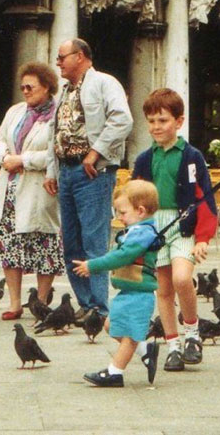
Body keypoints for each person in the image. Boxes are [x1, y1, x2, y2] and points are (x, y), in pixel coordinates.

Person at [131, 88, 218, 373]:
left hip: (182, 225)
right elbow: (135, 197)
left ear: (179, 122)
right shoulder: (144, 159)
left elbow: (204, 197)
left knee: (182, 279)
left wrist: (203, 238)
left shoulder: (192, 157)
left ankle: (192, 334)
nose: (156, 127)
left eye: (163, 120)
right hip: (155, 228)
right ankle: (173, 345)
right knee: (163, 289)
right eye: (152, 121)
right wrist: (134, 228)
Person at [48, 37, 133, 318]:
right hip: (67, 170)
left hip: (92, 171)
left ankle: (99, 306)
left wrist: (96, 152)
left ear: (81, 56)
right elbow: (56, 132)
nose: (58, 62)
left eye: (62, 56)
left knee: (94, 241)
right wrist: (52, 170)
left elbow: (122, 119)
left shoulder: (105, 83)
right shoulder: (64, 92)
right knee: (70, 241)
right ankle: (86, 304)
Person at [0, 62, 65, 320]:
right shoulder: (16, 111)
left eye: (30, 87)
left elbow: (56, 152)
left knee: (44, 243)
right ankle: (15, 302)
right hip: (10, 187)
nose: (25, 91)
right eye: (22, 87)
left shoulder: (58, 114)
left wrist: (24, 160)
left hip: (39, 187)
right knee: (10, 245)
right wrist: (5, 155)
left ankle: (40, 302)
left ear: (47, 87)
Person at [72, 179, 161, 388]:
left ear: (140, 211)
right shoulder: (138, 231)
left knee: (129, 334)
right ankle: (146, 351)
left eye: (122, 212)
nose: (119, 217)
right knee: (111, 326)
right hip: (129, 290)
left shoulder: (143, 234)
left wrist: (93, 265)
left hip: (139, 292)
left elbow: (122, 257)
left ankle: (115, 372)